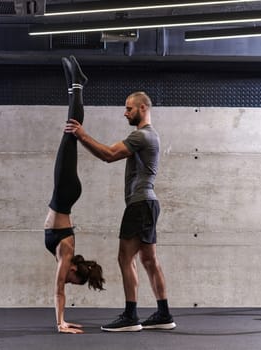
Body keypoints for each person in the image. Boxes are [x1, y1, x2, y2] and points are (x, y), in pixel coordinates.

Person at [65, 91, 176, 332]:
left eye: (129, 108)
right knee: (149, 260)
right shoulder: (151, 135)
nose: (125, 112)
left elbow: (109, 155)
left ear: (143, 108)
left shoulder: (141, 136)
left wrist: (81, 135)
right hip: (148, 204)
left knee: (125, 258)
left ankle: (130, 316)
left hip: (139, 205)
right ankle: (164, 314)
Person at [44, 56, 105, 334]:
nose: (66, 281)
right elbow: (58, 289)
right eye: (73, 280)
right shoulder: (66, 254)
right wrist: (61, 323)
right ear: (74, 272)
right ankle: (78, 83)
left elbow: (60, 285)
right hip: (65, 193)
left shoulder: (64, 256)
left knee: (69, 133)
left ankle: (75, 84)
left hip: (64, 195)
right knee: (71, 132)